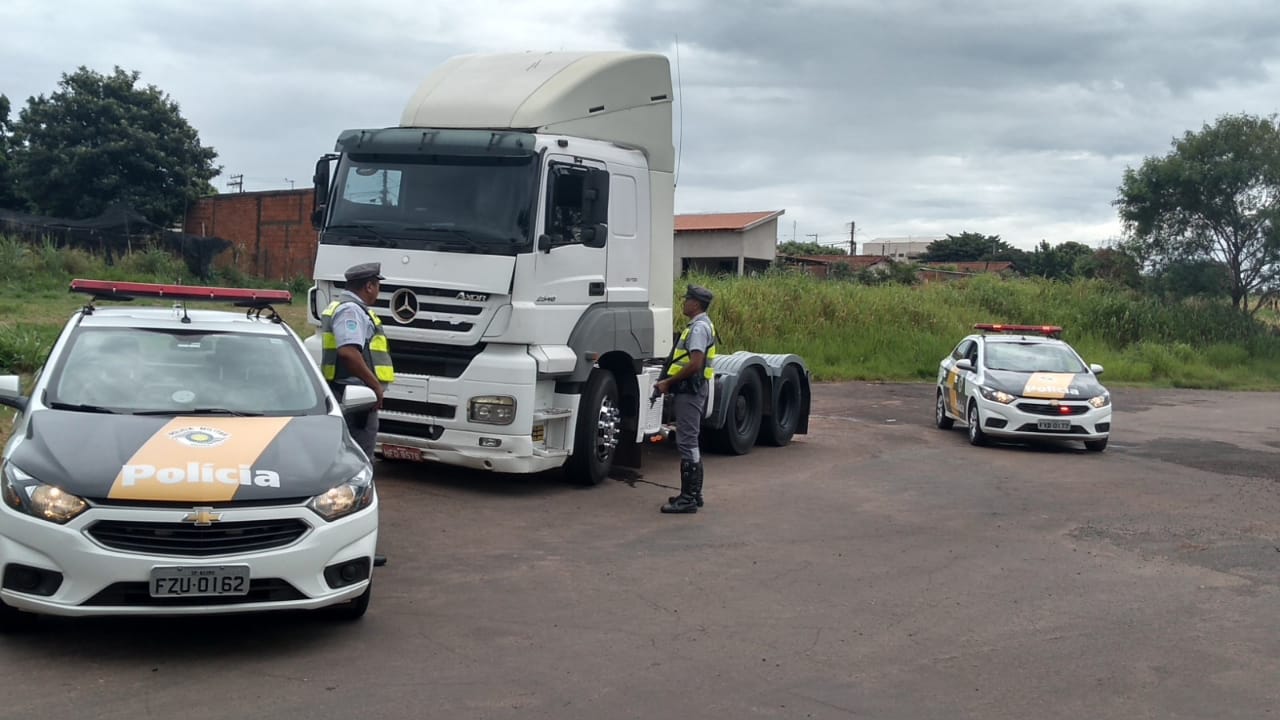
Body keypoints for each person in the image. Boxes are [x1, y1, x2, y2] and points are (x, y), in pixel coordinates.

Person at [319, 262, 396, 461]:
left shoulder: (346, 307)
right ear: (369, 286)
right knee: (359, 461)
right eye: (377, 286)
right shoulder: (351, 311)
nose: (378, 291)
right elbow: (348, 352)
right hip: (355, 399)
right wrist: (375, 386)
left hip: (349, 394)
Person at [656, 284, 717, 514]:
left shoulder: (699, 328)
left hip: (690, 390)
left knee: (687, 442)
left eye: (687, 300)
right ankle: (694, 494)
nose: (684, 303)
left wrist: (668, 382)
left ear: (696, 304)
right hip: (691, 390)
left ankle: (688, 498)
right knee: (689, 441)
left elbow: (695, 364)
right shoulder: (700, 325)